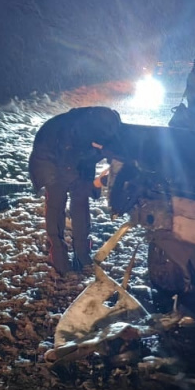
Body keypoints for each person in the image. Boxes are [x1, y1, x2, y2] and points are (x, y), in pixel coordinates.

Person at [28, 106, 122, 276]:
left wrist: (114, 158)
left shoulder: (98, 124)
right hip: (50, 161)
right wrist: (97, 183)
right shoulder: (70, 134)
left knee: (80, 203)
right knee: (56, 205)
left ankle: (81, 253)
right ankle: (58, 255)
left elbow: (104, 146)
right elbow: (69, 171)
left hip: (77, 160)